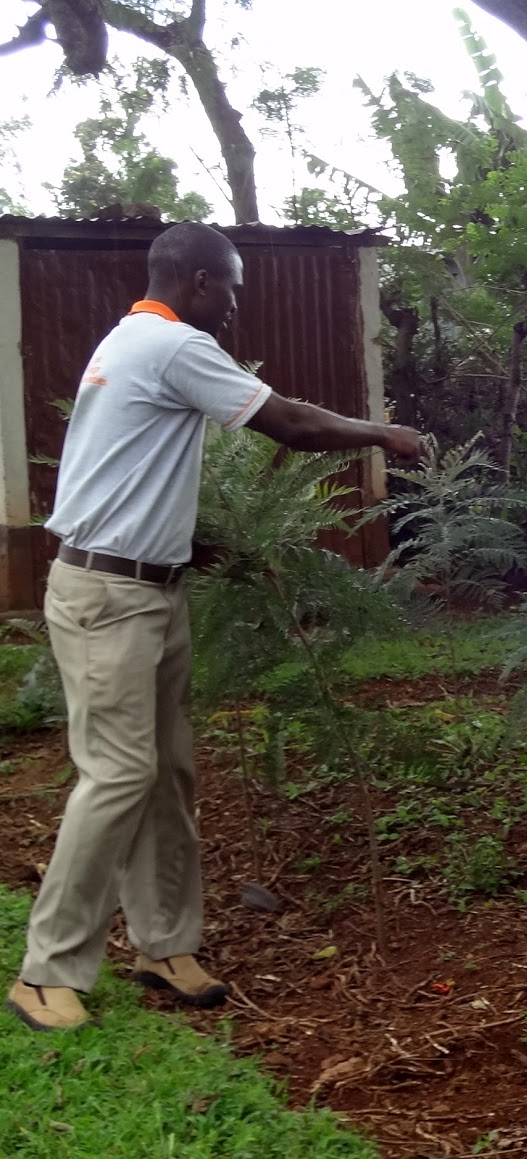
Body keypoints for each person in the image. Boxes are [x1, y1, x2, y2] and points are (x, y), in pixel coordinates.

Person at [6, 222, 422, 1032]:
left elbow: (129, 471)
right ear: (198, 281)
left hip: (149, 587)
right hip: (108, 596)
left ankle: (164, 945)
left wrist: (196, 546)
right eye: (229, 285)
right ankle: (45, 971)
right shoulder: (169, 344)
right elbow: (292, 423)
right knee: (118, 774)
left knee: (166, 773)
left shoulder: (129, 342)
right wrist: (382, 432)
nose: (234, 302)